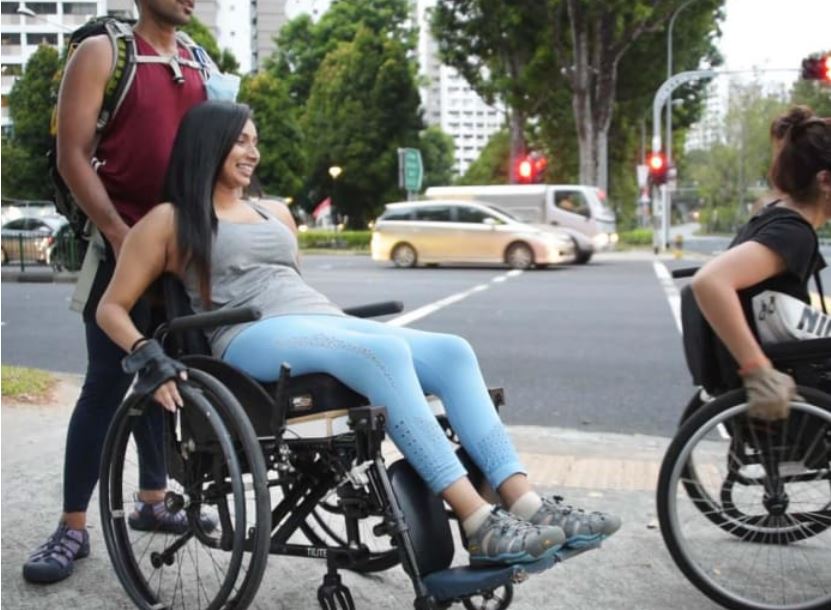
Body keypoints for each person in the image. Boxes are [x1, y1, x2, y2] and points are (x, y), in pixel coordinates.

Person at [96, 100, 621, 568]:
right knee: (384, 347)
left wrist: (330, 327)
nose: (252, 151)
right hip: (247, 338)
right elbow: (111, 309)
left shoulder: (274, 211)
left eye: (256, 141)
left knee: (453, 352)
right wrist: (147, 354)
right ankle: (480, 521)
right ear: (208, 144)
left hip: (316, 321)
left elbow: (292, 286)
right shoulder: (169, 221)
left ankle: (526, 501)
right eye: (240, 140)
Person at [23, 0, 209, 585]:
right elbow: (72, 156)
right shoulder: (104, 50)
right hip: (121, 245)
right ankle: (72, 526)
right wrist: (122, 236)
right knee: (106, 383)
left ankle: (152, 499)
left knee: (165, 375)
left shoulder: (201, 62)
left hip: (181, 252)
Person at [692, 109, 831, 421]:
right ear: (824, 180)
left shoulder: (775, 214)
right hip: (790, 369)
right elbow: (710, 281)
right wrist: (758, 369)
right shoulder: (792, 233)